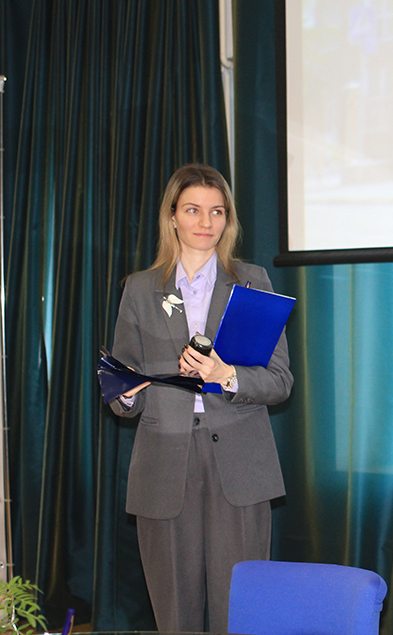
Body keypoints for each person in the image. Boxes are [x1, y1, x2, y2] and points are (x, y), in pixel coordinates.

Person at [109, 163, 293, 633]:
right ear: (172, 216)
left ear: (228, 219)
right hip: (163, 464)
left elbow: (279, 382)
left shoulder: (252, 281)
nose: (206, 222)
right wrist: (125, 396)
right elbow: (121, 391)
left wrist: (226, 375)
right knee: (176, 616)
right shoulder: (139, 288)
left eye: (217, 211)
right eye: (193, 210)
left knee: (240, 613)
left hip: (240, 463)